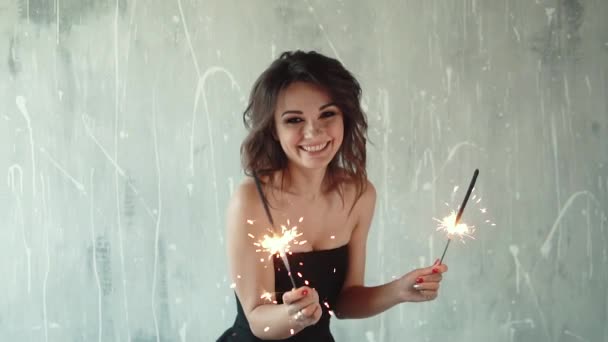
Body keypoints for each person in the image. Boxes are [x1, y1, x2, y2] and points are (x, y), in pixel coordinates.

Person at [218, 50, 448, 341]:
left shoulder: (360, 195)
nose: (314, 131)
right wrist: (294, 317)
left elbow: (345, 302)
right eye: (293, 120)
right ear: (273, 129)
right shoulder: (251, 199)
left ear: (345, 118)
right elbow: (257, 319)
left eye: (327, 114)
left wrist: (399, 290)